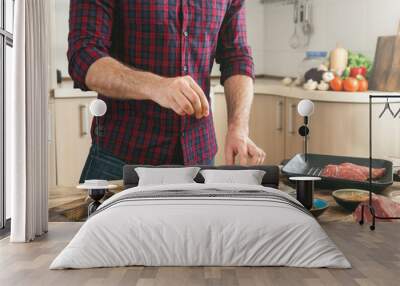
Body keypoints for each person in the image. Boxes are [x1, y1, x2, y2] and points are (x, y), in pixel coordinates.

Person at [68, 0, 266, 183]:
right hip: (122, 158)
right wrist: (156, 86)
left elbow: (237, 57)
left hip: (199, 157)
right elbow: (83, 56)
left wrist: (238, 127)